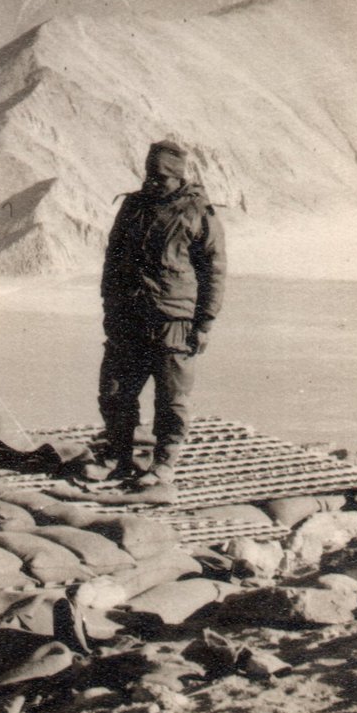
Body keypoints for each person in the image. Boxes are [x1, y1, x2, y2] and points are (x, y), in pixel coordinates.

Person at [99, 139, 226, 491]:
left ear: (178, 176)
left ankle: (164, 463)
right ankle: (120, 457)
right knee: (114, 391)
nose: (152, 183)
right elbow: (112, 259)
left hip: (174, 320)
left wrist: (205, 322)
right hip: (129, 317)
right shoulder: (133, 207)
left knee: (171, 398)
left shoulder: (197, 212)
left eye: (161, 178)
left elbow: (214, 270)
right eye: (149, 175)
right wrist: (110, 307)